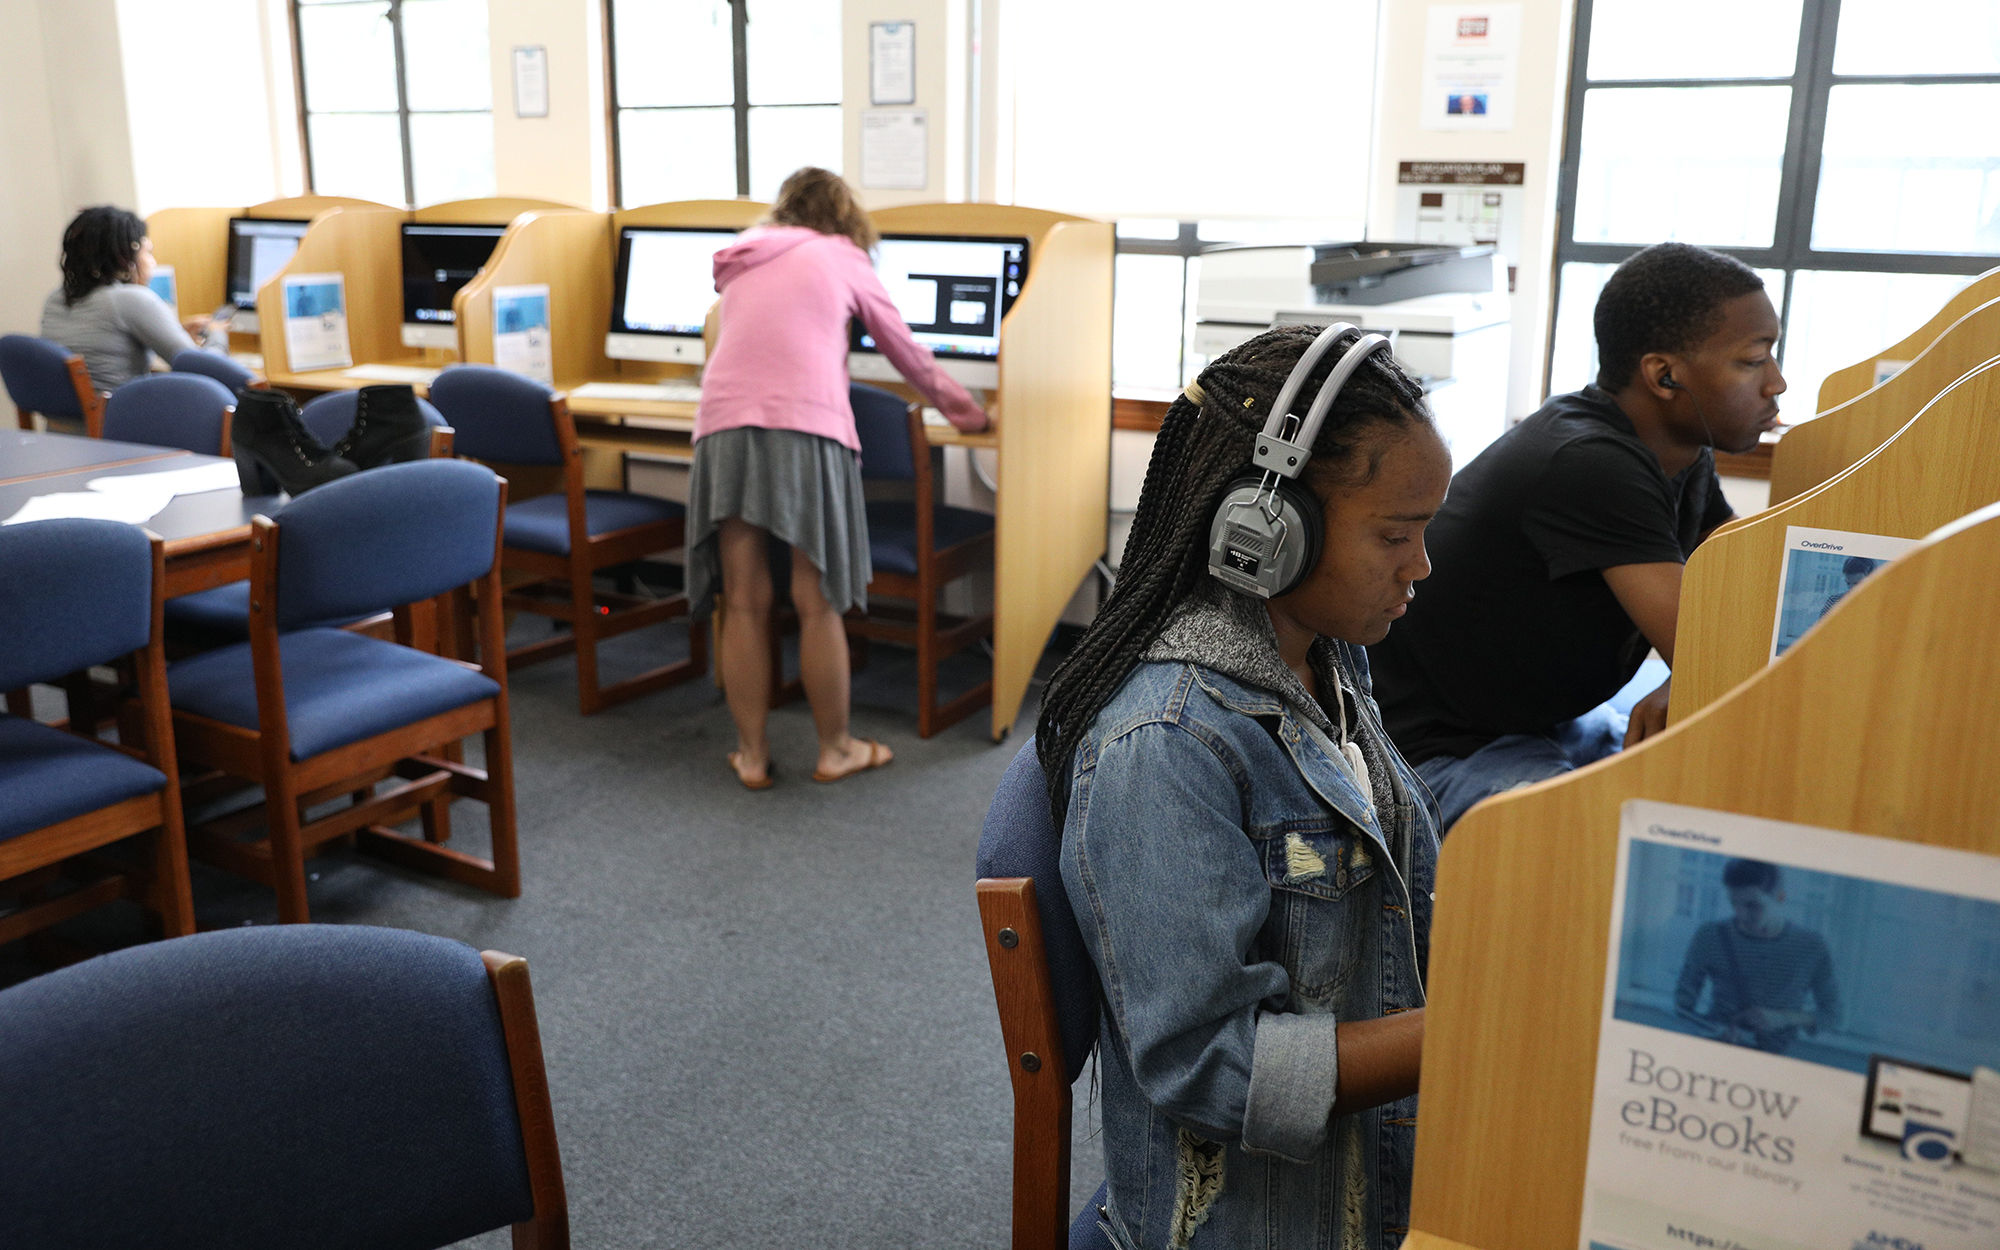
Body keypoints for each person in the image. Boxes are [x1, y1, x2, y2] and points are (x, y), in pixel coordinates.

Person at [1035, 323, 1450, 1249]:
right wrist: (1480, 1031)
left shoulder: (1323, 664)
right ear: (1264, 532)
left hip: (1374, 1175)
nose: (1421, 566)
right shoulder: (1170, 745)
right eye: (1395, 534)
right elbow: (1215, 1069)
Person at [1367, 241, 1787, 832]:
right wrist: (1689, 667)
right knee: (1608, 850)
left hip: (1538, 723)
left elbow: (1751, 586)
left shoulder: (1681, 455)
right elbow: (1720, 658)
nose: (1778, 383)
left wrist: (1681, 675)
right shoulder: (1591, 462)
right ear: (1664, 375)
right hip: (1433, 752)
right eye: (1753, 360)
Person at [687, 167, 988, 789]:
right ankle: (836, 748)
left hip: (722, 423)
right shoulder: (841, 256)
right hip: (806, 426)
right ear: (843, 217)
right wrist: (969, 413)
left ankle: (750, 756)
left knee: (742, 599)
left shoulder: (742, 258)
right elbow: (907, 353)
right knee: (815, 598)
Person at [1674, 858, 1839, 1055]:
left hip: (1778, 1060)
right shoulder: (1710, 935)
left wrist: (1783, 1018)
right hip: (1715, 1051)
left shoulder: (1812, 946)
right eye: (1734, 903)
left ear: (1780, 897)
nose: (1741, 914)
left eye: (1752, 905)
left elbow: (1835, 1016)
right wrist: (1710, 1031)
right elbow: (1682, 1006)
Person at [40, 206, 207, 396]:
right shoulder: (130, 299)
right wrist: (217, 336)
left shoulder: (55, 298)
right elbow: (199, 366)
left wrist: (177, 332)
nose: (152, 262)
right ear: (126, 258)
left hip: (62, 422)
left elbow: (104, 344)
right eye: (148, 252)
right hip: (120, 420)